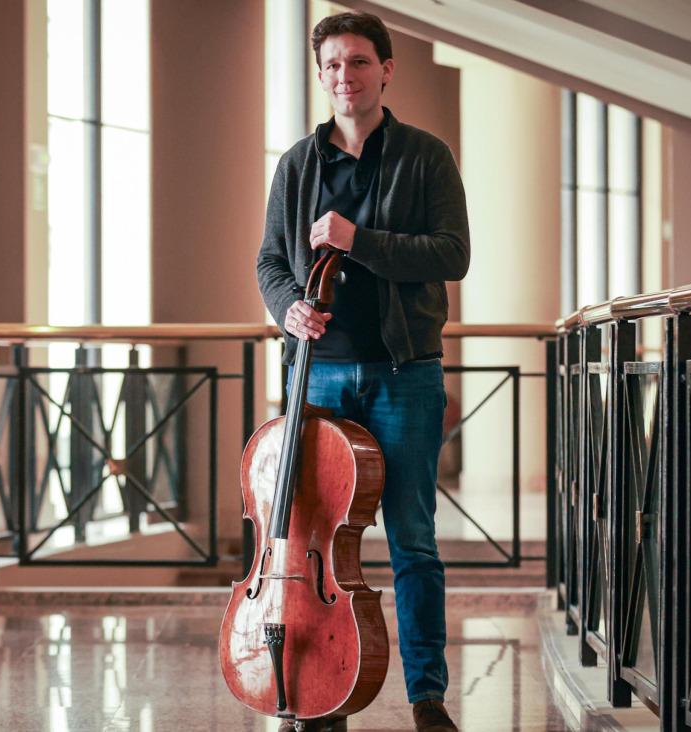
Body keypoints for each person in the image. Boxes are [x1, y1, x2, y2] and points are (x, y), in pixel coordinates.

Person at [256, 11, 471, 732]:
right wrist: (288, 309)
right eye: (331, 67)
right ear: (321, 77)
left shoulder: (426, 156)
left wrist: (360, 240)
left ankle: (427, 693)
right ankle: (319, 690)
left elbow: (451, 254)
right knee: (310, 538)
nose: (343, 78)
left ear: (386, 69)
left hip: (403, 373)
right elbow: (269, 264)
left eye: (356, 63)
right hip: (315, 377)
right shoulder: (296, 164)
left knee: (412, 536)